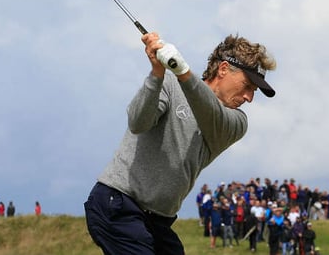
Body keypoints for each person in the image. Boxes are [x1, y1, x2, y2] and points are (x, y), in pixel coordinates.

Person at [84, 33, 276, 255]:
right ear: (223, 69)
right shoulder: (169, 84)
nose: (249, 97)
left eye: (253, 91)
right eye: (248, 85)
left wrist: (183, 72)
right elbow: (138, 123)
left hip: (158, 222)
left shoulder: (236, 122)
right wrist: (157, 73)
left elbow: (208, 110)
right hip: (117, 204)